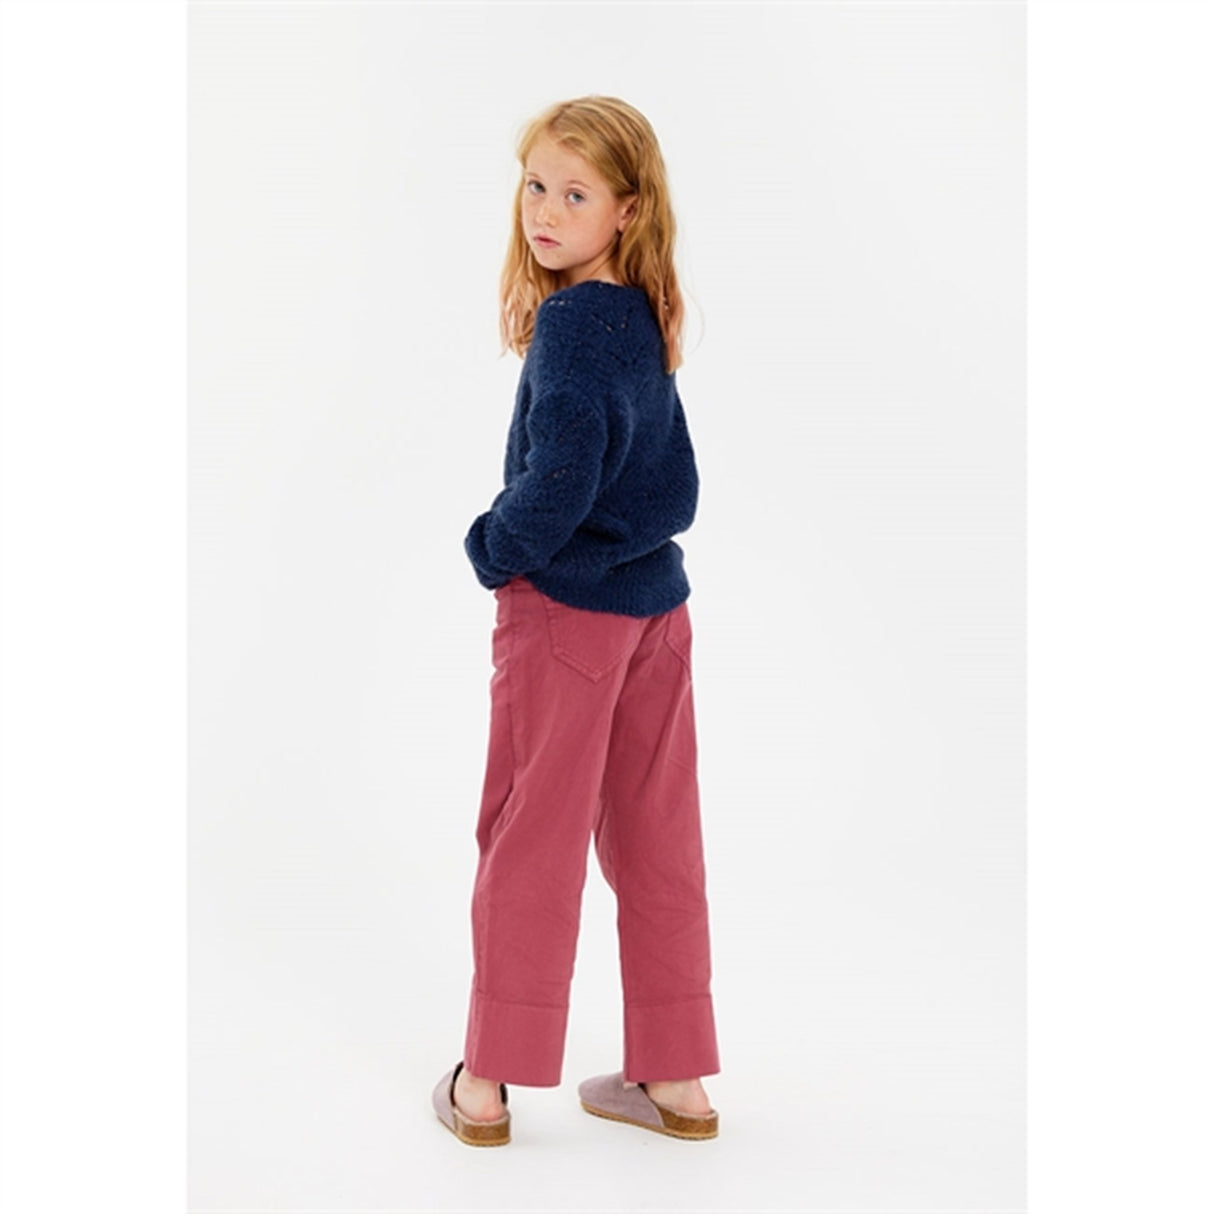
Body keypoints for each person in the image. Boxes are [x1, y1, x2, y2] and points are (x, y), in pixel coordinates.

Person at [432, 95, 721, 1146]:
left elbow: (559, 481)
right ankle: (677, 1078)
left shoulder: (568, 327)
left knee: (531, 837)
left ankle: (485, 1085)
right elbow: (665, 471)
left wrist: (491, 547)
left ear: (626, 210)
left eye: (575, 194)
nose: (545, 211)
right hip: (656, 612)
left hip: (566, 616)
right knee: (657, 842)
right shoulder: (643, 313)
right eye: (534, 186)